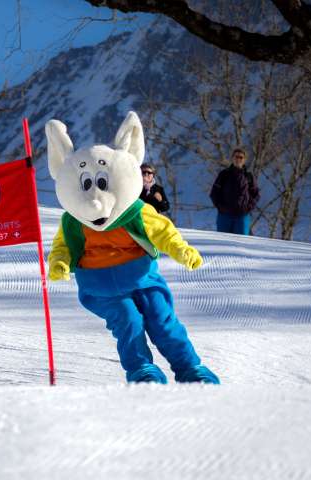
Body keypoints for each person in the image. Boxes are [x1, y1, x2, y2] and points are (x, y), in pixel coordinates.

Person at [46, 111, 219, 385]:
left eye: (101, 184)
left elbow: (162, 232)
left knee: (161, 321)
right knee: (128, 322)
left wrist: (180, 249)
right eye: (87, 185)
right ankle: (143, 372)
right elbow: (62, 246)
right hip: (101, 288)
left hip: (143, 281)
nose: (95, 200)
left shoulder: (136, 212)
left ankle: (190, 369)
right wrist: (59, 262)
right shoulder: (73, 221)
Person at [210, 147, 260, 235]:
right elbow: (214, 193)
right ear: (232, 158)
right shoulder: (224, 174)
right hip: (224, 216)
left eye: (241, 157)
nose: (238, 159)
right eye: (236, 157)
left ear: (244, 160)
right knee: (222, 240)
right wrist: (220, 207)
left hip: (242, 216)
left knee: (241, 241)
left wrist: (248, 208)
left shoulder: (248, 176)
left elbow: (256, 194)